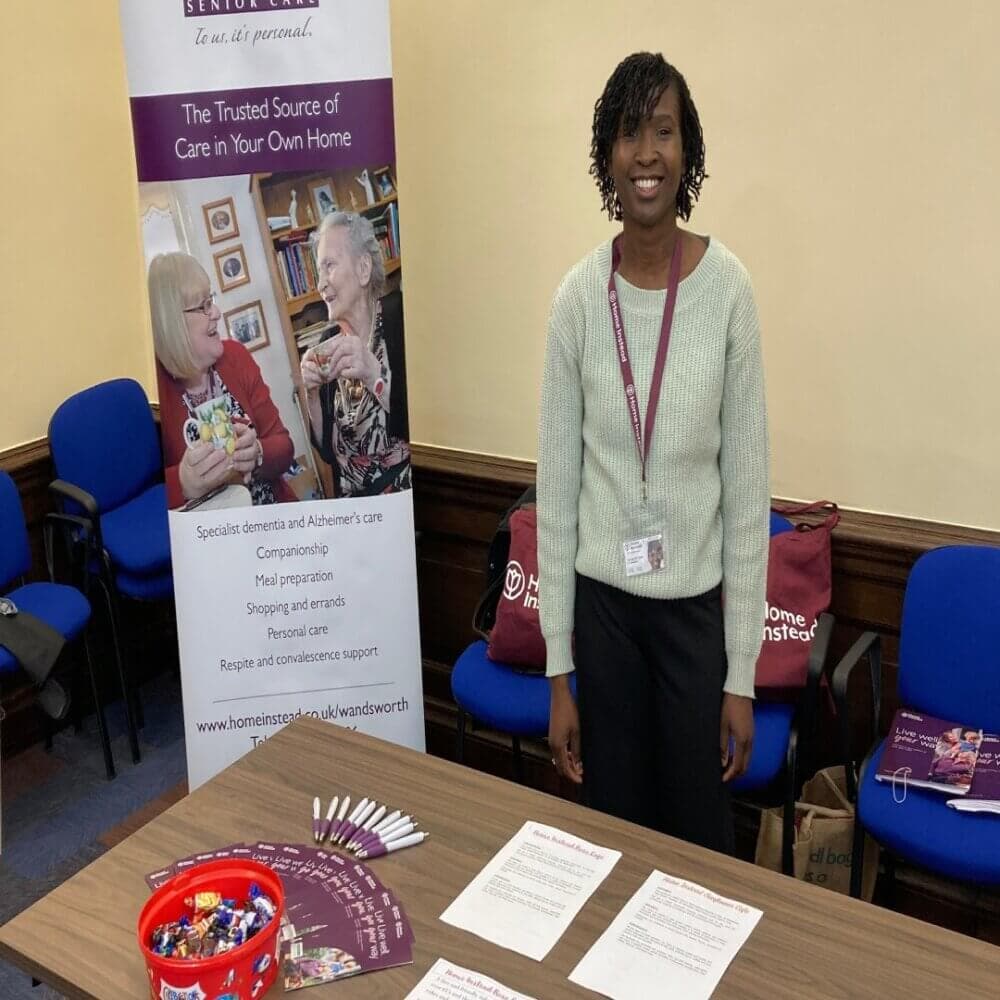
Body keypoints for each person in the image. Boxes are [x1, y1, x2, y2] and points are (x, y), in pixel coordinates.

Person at [538, 52, 769, 855]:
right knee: (612, 836)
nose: (647, 154)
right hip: (603, 617)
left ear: (687, 151)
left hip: (692, 622)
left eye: (664, 132)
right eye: (630, 133)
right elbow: (557, 500)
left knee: (698, 842)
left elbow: (746, 500)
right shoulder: (575, 300)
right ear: (607, 155)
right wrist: (558, 673)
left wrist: (739, 677)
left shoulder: (728, 291)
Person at [149, 252, 296, 509]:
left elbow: (284, 446)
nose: (216, 312)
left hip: (271, 515)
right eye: (203, 305)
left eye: (211, 300)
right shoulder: (153, 391)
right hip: (210, 539)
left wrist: (258, 453)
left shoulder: (235, 357)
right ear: (172, 323)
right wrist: (182, 483)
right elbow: (144, 500)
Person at [300, 211, 410, 497]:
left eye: (329, 266)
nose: (320, 283)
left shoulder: (403, 320)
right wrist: (311, 394)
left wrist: (373, 373)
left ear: (363, 269)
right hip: (353, 508)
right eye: (319, 271)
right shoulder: (328, 342)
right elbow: (326, 453)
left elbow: (426, 426)